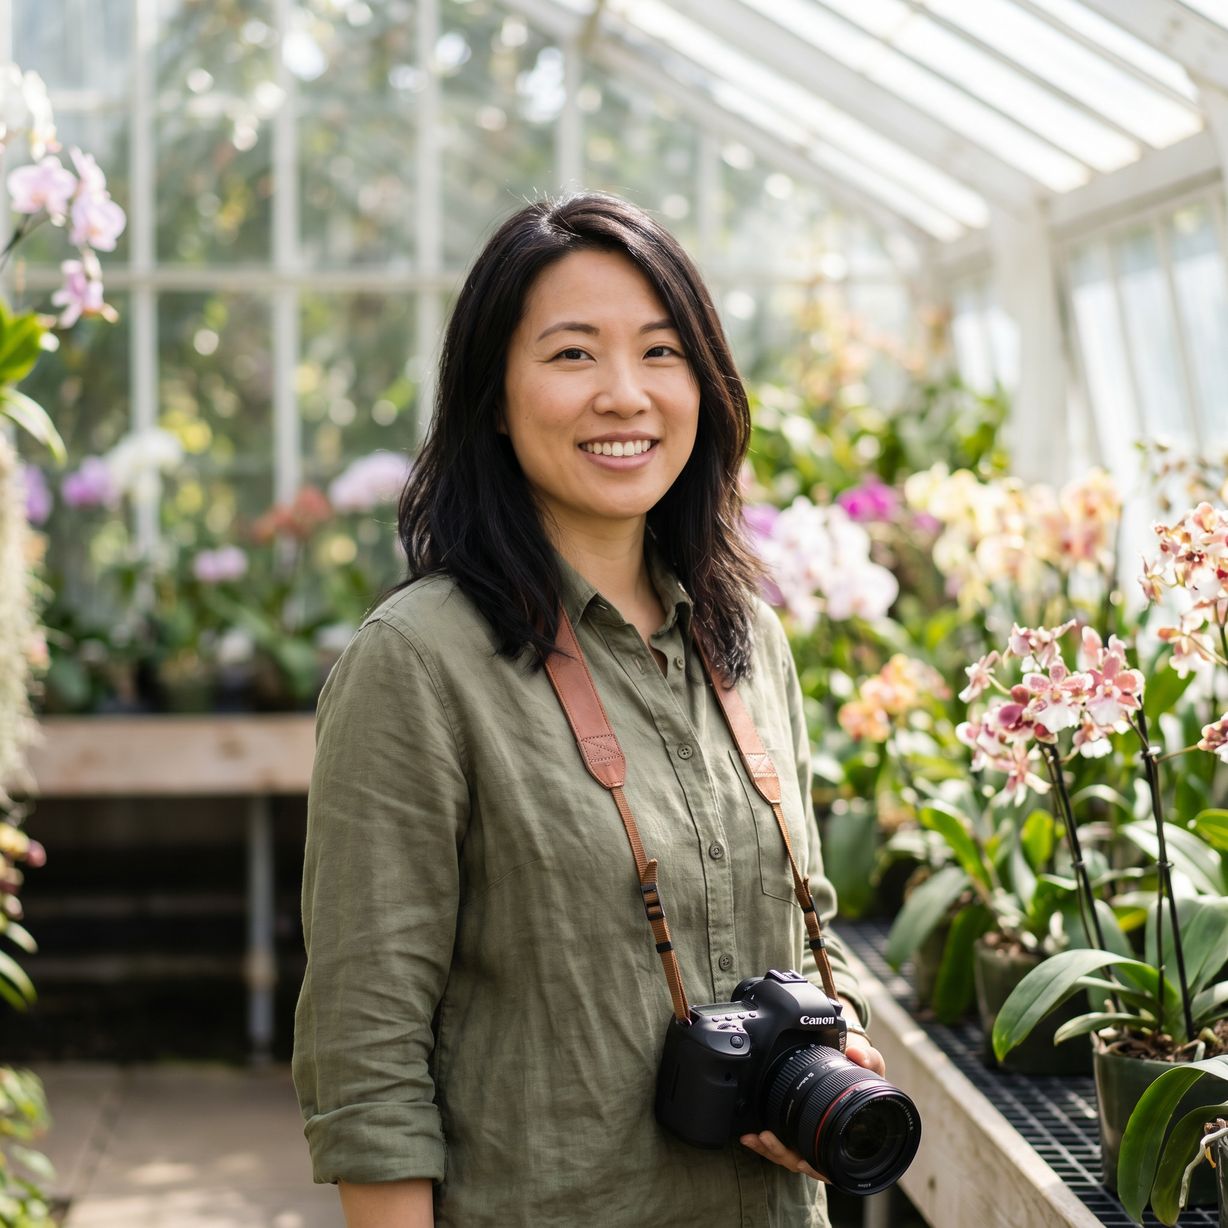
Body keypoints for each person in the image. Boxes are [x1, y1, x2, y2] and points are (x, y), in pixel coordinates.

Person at [293, 192, 884, 1228]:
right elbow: (367, 1048)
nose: (625, 395)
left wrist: (835, 1050)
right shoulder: (419, 665)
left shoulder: (749, 644)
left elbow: (805, 924)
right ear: (492, 394)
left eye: (662, 353)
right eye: (572, 356)